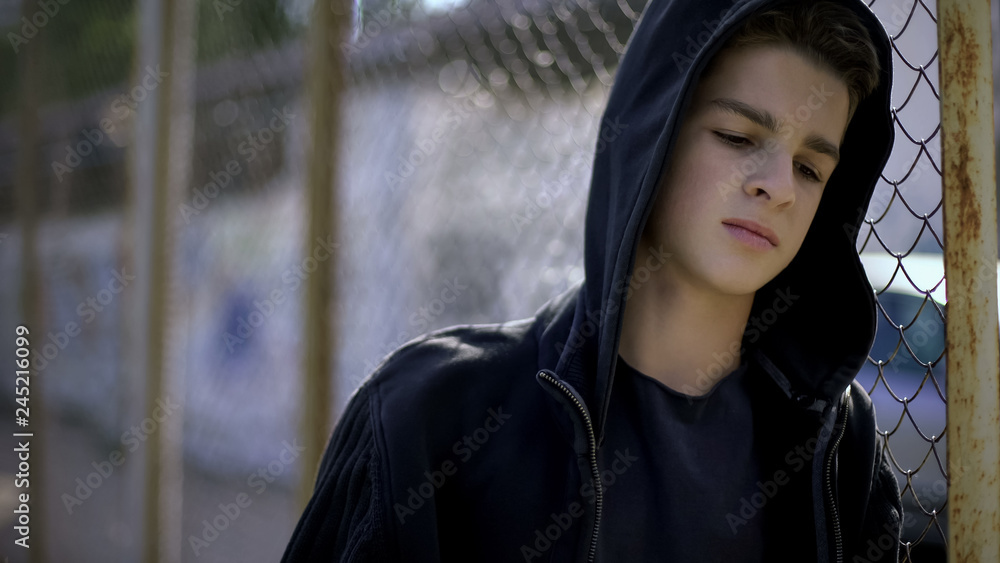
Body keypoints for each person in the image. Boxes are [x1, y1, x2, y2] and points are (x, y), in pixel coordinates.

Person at [281, 0, 903, 561]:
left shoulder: (838, 446)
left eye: (811, 167)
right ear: (649, 136)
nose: (780, 186)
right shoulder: (428, 415)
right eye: (738, 137)